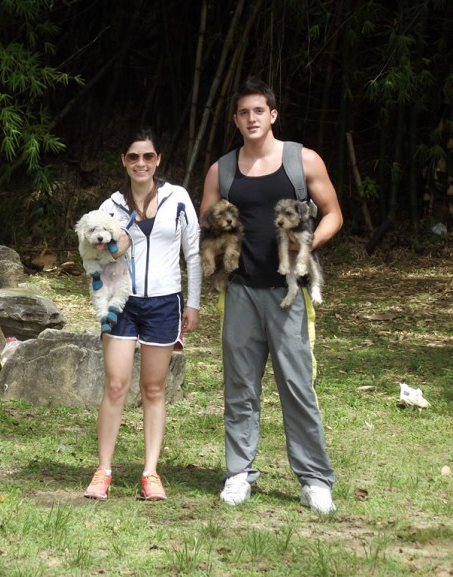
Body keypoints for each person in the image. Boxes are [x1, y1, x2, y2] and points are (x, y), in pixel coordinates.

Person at [199, 77, 343, 514]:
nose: (251, 118)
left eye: (259, 110)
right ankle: (239, 473)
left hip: (287, 293)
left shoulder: (303, 160)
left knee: (297, 388)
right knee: (240, 387)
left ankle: (315, 480)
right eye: (244, 112)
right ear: (236, 120)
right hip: (239, 291)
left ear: (273, 115)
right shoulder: (222, 169)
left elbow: (334, 213)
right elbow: (205, 218)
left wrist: (308, 244)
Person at [83, 127, 202, 501]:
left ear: (158, 159)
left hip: (165, 302)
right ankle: (103, 470)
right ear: (124, 161)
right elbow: (96, 254)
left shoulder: (178, 198)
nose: (141, 163)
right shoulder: (109, 207)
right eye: (133, 157)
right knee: (116, 385)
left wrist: (193, 303)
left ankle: (150, 473)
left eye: (148, 156)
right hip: (123, 301)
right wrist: (122, 243)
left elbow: (193, 254)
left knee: (153, 389)